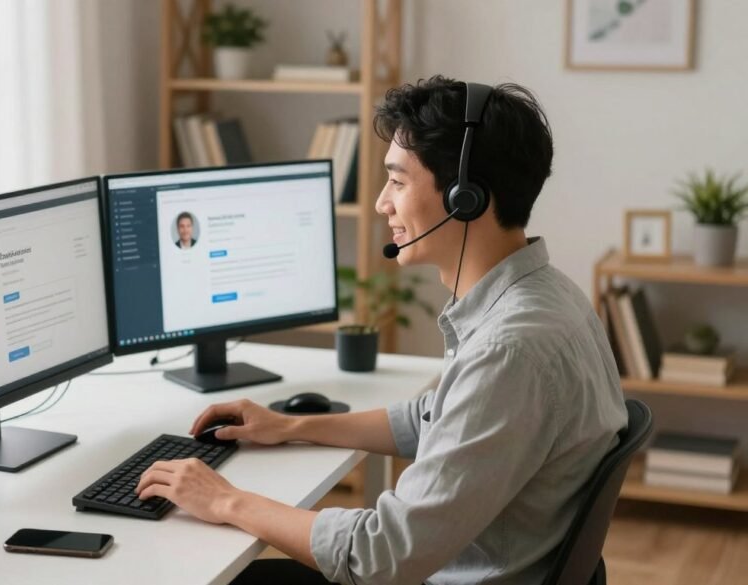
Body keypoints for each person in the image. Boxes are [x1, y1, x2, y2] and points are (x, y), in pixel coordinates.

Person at [134, 76, 627, 585]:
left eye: (397, 182)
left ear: (464, 198)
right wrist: (290, 426)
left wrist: (225, 500)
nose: (380, 203)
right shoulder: (547, 296)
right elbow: (435, 418)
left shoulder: (510, 350)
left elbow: (380, 556)